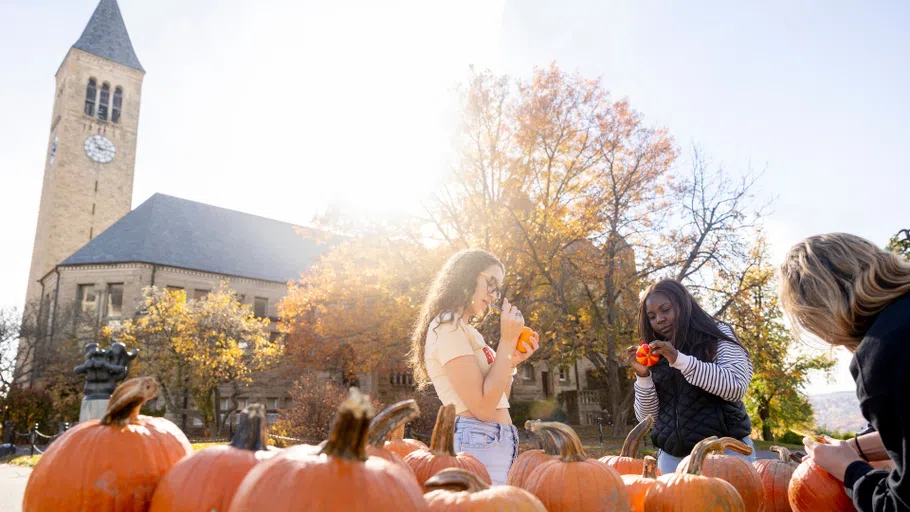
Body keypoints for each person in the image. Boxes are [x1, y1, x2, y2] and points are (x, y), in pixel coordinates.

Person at [779, 233, 909, 511]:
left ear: (819, 310)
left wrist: (848, 469)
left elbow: (902, 504)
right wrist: (855, 448)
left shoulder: (885, 351)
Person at [408, 249, 539, 484]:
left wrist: (511, 361)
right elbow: (482, 408)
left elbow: (499, 397)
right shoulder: (446, 326)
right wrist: (507, 343)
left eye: (497, 288)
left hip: (497, 440)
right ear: (465, 276)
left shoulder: (471, 333)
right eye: (491, 283)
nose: (494, 294)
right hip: (477, 438)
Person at [629, 279, 755, 474]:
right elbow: (649, 418)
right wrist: (643, 376)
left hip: (725, 455)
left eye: (665, 310)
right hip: (672, 460)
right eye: (652, 316)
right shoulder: (653, 353)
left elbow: (735, 386)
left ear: (683, 304)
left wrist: (679, 359)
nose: (659, 320)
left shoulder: (716, 333)